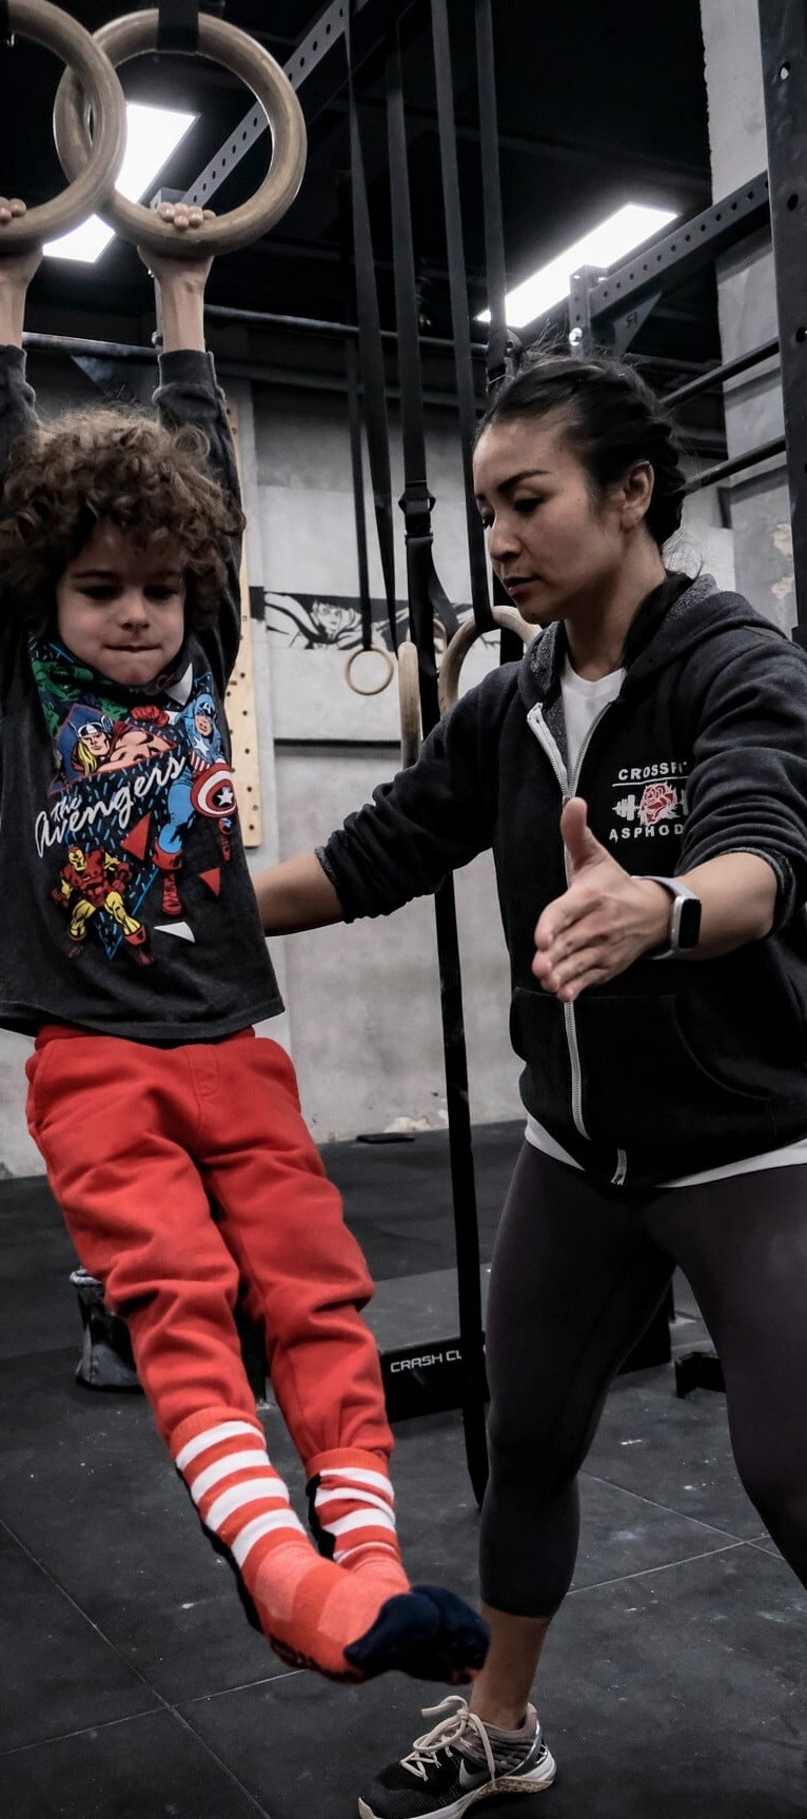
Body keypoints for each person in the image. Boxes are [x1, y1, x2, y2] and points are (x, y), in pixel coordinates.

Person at [252, 350, 807, 1812]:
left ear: (631, 496)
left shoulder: (733, 664)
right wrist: (190, 906)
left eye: (526, 501)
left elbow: (765, 855)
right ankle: (499, 1722)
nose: (498, 536)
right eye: (484, 506)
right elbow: (376, 852)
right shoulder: (510, 705)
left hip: (748, 1150)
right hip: (578, 1157)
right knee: (528, 1441)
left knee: (792, 1467)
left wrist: (666, 908)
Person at [0, 194, 488, 1690]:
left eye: (160, 591)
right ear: (45, 596)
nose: (135, 616)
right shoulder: (28, 678)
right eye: (101, 590)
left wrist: (185, 291)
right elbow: (4, 487)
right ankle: (285, 1584)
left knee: (317, 1292)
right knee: (182, 1314)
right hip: (95, 1057)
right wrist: (2, 301)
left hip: (235, 1041)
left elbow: (215, 504)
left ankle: (369, 1566)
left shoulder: (206, 645)